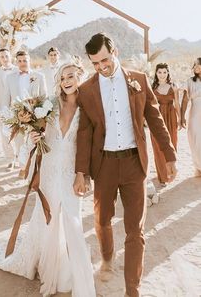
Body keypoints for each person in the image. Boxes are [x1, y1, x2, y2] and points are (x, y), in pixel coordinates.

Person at [73, 33, 177, 297]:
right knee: (102, 220)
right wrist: (81, 172)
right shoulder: (86, 89)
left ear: (114, 51)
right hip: (104, 165)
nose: (101, 67)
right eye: (95, 63)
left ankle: (133, 290)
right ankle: (107, 257)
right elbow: (84, 134)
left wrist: (170, 154)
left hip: (134, 164)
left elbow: (155, 119)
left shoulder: (139, 80)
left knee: (135, 230)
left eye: (105, 60)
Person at [0, 61, 96, 297]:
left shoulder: (87, 109)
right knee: (48, 220)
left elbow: (88, 145)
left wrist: (83, 174)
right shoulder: (49, 105)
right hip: (49, 169)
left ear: (80, 77)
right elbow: (35, 137)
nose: (66, 81)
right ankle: (49, 273)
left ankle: (77, 278)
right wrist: (34, 135)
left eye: (71, 76)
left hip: (71, 171)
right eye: (62, 78)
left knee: (72, 220)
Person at [5, 50, 47, 171]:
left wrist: (43, 115)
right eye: (20, 61)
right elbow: (7, 96)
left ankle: (34, 168)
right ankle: (23, 168)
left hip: (35, 115)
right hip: (18, 116)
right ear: (16, 62)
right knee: (19, 143)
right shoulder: (10, 78)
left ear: (29, 61)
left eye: (25, 60)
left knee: (34, 142)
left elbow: (44, 96)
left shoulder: (39, 76)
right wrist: (8, 114)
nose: (22, 63)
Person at [150, 63, 181, 186]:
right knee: (157, 146)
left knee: (171, 143)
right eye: (159, 72)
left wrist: (180, 119)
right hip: (157, 118)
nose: (162, 75)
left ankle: (170, 172)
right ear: (156, 73)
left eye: (164, 72)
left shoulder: (173, 86)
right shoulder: (152, 87)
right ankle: (162, 176)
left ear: (168, 73)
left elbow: (177, 103)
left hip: (171, 116)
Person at [0, 48, 17, 168]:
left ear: (10, 56)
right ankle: (10, 159)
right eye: (2, 57)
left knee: (19, 135)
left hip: (18, 107)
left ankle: (21, 158)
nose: (5, 59)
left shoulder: (18, 69)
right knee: (5, 135)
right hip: (2, 108)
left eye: (6, 56)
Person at [181, 57, 201, 177]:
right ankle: (198, 167)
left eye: (199, 64)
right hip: (195, 113)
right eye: (195, 65)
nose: (196, 67)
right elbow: (185, 99)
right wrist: (182, 116)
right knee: (193, 138)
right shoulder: (190, 81)